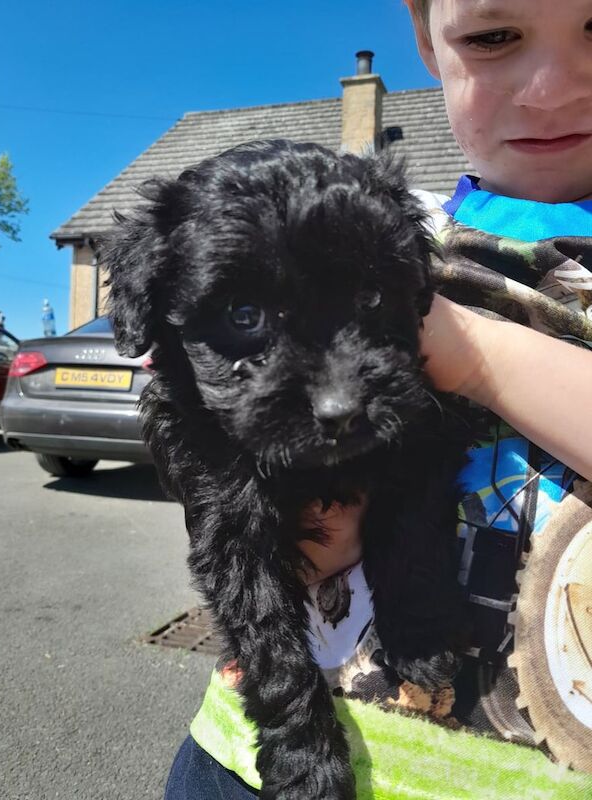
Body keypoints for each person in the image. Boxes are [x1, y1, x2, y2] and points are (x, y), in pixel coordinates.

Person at [165, 1, 592, 796]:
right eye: (495, 36)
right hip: (249, 757)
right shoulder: (387, 214)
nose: (550, 88)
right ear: (427, 36)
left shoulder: (387, 239)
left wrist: (468, 352)